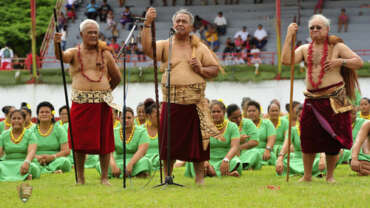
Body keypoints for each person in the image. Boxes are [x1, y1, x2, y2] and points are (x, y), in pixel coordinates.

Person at [142, 8, 222, 185]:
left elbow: (215, 69)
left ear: (191, 26)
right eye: (177, 21)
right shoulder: (166, 45)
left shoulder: (199, 47)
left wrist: (201, 69)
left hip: (195, 102)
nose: (180, 24)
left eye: (184, 21)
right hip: (172, 101)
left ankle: (199, 178)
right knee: (169, 142)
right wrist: (147, 24)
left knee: (199, 143)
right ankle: (168, 176)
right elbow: (148, 49)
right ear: (173, 24)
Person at [281, 14, 364, 183]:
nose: (315, 30)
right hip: (312, 99)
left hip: (335, 98)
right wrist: (289, 35)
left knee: (332, 138)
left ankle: (330, 176)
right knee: (308, 136)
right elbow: (286, 61)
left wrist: (340, 61)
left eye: (319, 27)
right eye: (312, 28)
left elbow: (359, 62)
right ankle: (307, 176)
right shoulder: (304, 49)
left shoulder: (337, 47)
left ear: (327, 30)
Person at [54, 19, 122, 185]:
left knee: (104, 141)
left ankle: (104, 178)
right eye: (89, 32)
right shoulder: (73, 52)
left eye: (95, 32)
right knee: (79, 142)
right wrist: (57, 44)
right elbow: (61, 57)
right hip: (81, 103)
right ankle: (80, 178)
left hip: (102, 104)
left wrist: (104, 91)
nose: (93, 35)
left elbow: (117, 77)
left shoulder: (105, 54)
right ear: (81, 35)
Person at [185, 101, 242, 177]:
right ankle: (222, 174)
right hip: (208, 158)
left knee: (236, 161)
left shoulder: (232, 126)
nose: (216, 114)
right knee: (194, 160)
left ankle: (212, 173)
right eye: (213, 112)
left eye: (218, 111)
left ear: (224, 112)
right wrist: (205, 160)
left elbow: (235, 146)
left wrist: (226, 160)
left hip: (225, 157)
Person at [98, 107, 151, 178]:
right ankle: (134, 173)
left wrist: (131, 164)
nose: (126, 120)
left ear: (133, 119)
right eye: (123, 118)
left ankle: (120, 174)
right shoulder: (113, 132)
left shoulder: (142, 131)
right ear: (119, 119)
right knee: (100, 163)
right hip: (118, 161)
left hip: (136, 161)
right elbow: (108, 151)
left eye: (129, 118)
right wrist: (113, 165)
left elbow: (141, 151)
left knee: (145, 161)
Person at [276, 105, 326, 177]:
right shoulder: (292, 130)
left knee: (322, 162)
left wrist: (322, 157)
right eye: (300, 116)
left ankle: (306, 172)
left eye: (305, 115)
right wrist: (280, 158)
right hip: (297, 158)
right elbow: (286, 145)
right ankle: (308, 172)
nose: (302, 118)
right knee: (283, 162)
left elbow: (322, 145)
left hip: (314, 158)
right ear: (297, 117)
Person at [0, 110, 41, 181]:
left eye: (19, 118)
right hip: (7, 164)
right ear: (10, 120)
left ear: (24, 120)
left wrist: (27, 162)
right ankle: (24, 176)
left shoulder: (30, 134)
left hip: (25, 162)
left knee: (33, 167)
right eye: (14, 118)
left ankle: (24, 175)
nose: (16, 121)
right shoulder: (4, 134)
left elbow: (32, 151)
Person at [32, 102, 71, 174]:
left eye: (47, 112)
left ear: (52, 115)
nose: (44, 114)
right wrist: (37, 157)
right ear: (38, 115)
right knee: (29, 162)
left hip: (55, 160)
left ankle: (44, 170)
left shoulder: (59, 129)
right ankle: (52, 171)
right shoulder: (32, 130)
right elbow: (26, 150)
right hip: (36, 160)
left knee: (64, 161)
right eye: (42, 112)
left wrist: (52, 157)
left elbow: (66, 151)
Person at [227, 104, 261, 170]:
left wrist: (238, 148)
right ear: (228, 117)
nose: (239, 119)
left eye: (240, 116)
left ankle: (241, 165)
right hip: (229, 153)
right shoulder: (226, 125)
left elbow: (255, 142)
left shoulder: (248, 123)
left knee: (256, 152)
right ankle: (243, 165)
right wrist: (238, 140)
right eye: (235, 118)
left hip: (245, 152)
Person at [246, 101, 277, 166]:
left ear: (259, 112)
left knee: (272, 156)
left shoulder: (267, 123)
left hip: (264, 151)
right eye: (249, 111)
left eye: (254, 111)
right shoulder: (244, 124)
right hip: (247, 152)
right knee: (254, 153)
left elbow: (271, 138)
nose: (251, 113)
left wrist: (268, 150)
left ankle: (250, 164)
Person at [143, 98, 160, 170]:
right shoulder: (141, 130)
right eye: (157, 115)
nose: (160, 118)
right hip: (144, 159)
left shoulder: (165, 130)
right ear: (148, 116)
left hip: (159, 159)